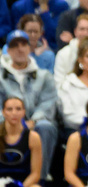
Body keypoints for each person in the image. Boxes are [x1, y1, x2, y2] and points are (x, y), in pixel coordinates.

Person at [0, 29, 58, 181]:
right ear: (8, 50)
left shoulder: (44, 76)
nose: (19, 49)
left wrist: (33, 121)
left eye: (23, 44)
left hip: (34, 121)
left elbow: (48, 103)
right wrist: (9, 120)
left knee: (45, 127)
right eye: (14, 46)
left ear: (29, 48)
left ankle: (40, 178)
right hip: (5, 120)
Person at [0, 96, 42, 187]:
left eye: (18, 109)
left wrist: (21, 186)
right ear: (3, 112)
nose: (14, 113)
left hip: (24, 182)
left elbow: (36, 174)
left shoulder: (33, 137)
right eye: (9, 109)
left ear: (24, 112)